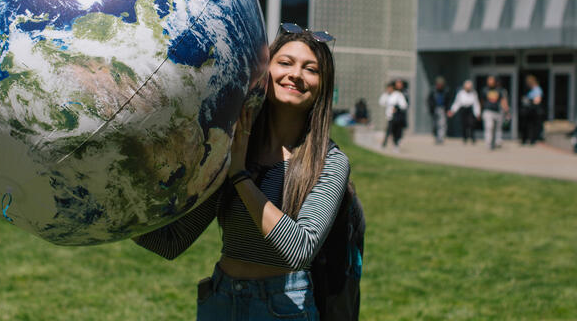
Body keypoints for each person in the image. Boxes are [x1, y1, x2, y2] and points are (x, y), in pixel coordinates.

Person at [134, 24, 352, 320]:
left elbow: (299, 249)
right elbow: (171, 242)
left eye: (310, 69)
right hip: (221, 299)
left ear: (323, 85)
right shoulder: (235, 144)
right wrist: (115, 207)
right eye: (285, 63)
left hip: (283, 307)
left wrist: (240, 176)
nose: (296, 75)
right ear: (265, 72)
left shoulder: (329, 161)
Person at [479, 76, 510, 150]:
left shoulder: (499, 90)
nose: (490, 82)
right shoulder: (484, 90)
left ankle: (495, 143)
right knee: (489, 127)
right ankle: (488, 144)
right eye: (489, 80)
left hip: (497, 112)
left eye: (491, 80)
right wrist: (479, 111)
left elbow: (503, 101)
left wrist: (506, 110)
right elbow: (481, 102)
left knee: (497, 129)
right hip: (487, 111)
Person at [379, 81, 408, 151]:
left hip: (396, 117)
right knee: (388, 131)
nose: (389, 90)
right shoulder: (386, 95)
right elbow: (381, 102)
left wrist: (396, 108)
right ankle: (385, 144)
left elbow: (404, 105)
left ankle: (395, 145)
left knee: (395, 132)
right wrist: (385, 94)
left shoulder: (398, 95)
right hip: (389, 117)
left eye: (390, 88)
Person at [426, 76, 451, 144]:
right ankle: (436, 137)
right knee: (435, 124)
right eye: (438, 84)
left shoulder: (446, 91)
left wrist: (448, 110)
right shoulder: (433, 91)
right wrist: (431, 108)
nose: (440, 85)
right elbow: (429, 100)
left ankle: (441, 138)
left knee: (442, 124)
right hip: (434, 109)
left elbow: (448, 101)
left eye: (441, 84)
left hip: (442, 109)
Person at [520, 75, 543, 145]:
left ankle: (532, 140)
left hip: (533, 110)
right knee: (525, 125)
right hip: (527, 111)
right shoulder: (529, 90)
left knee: (532, 126)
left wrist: (530, 101)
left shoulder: (537, 89)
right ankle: (525, 139)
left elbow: (537, 100)